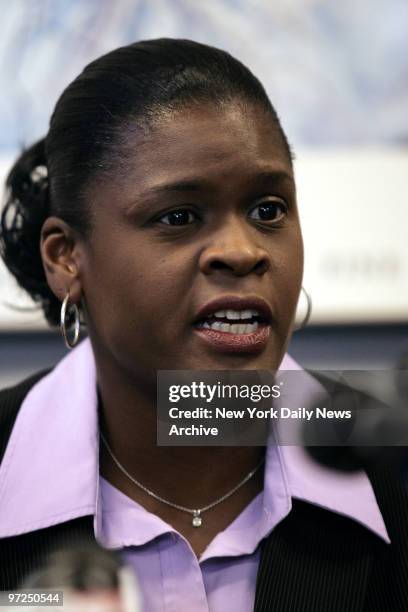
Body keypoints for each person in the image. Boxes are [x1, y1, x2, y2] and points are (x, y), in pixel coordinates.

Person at [0, 39, 407, 612]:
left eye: (268, 209)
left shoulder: (392, 466)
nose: (242, 252)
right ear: (67, 258)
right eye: (179, 216)